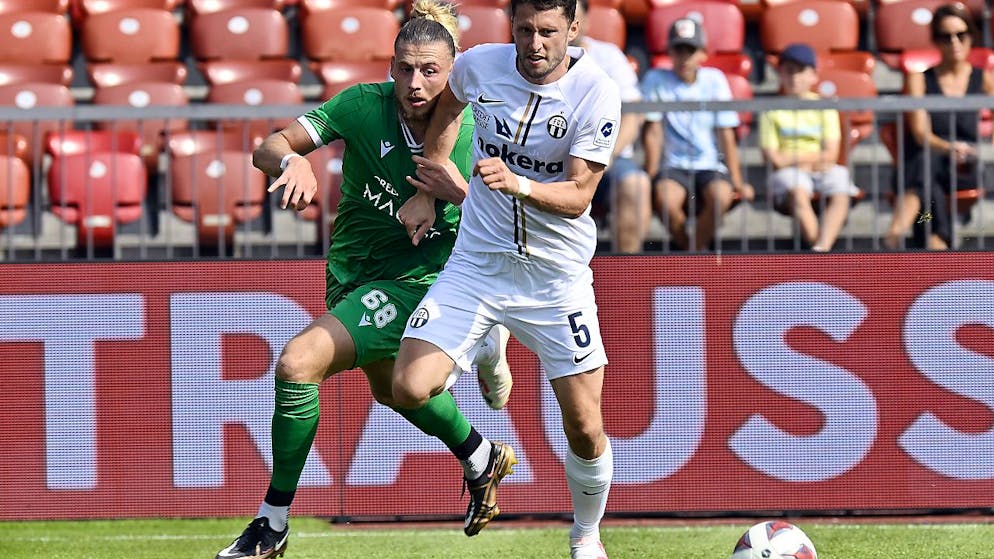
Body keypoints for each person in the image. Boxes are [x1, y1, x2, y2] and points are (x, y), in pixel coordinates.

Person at [214, 3, 515, 558]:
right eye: (404, 68)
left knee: (297, 362)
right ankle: (480, 457)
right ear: (391, 65)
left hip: (421, 280)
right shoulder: (360, 104)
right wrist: (291, 163)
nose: (415, 83)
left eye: (430, 71)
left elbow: (505, 232)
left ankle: (271, 523)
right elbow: (268, 145)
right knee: (390, 389)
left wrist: (458, 195)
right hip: (351, 273)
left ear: (454, 73)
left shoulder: (478, 127)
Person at [390, 0, 620, 556]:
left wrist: (519, 185)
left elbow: (578, 197)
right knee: (408, 387)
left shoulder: (596, 92)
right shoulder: (479, 66)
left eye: (546, 32)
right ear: (510, 27)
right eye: (523, 30)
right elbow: (445, 114)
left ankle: (586, 535)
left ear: (572, 28)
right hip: (479, 263)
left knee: (586, 426)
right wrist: (426, 188)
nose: (534, 44)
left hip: (555, 278)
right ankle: (491, 349)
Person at [885, 2, 994, 250]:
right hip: (929, 157)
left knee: (923, 170)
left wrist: (985, 150)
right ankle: (938, 240)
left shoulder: (984, 79)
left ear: (971, 37)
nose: (954, 42)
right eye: (946, 37)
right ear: (936, 40)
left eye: (960, 35)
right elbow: (921, 134)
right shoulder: (919, 79)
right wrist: (948, 147)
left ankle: (896, 230)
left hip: (963, 166)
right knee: (928, 172)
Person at [640, 17, 755, 251]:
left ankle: (690, 252)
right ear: (669, 52)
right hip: (673, 165)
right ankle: (695, 252)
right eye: (679, 50)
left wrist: (737, 180)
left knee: (721, 197)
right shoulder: (655, 79)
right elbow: (652, 132)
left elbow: (726, 133)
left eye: (690, 50)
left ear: (702, 53)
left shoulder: (714, 80)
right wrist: (651, 174)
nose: (684, 57)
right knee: (664, 200)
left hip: (709, 164)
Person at [759, 42, 856, 252]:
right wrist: (814, 158)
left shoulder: (824, 106)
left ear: (813, 75)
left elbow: (831, 154)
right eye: (789, 71)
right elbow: (774, 159)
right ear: (781, 74)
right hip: (791, 174)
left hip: (819, 169)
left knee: (841, 189)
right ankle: (818, 252)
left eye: (801, 71)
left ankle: (821, 248)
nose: (795, 77)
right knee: (798, 192)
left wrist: (793, 158)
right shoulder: (770, 110)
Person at [572, 0, 651, 253]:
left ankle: (626, 277)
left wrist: (604, 156)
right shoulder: (533, 59)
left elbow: (634, 113)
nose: (572, 24)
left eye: (576, 17)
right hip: (551, 159)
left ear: (586, 21)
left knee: (635, 184)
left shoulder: (609, 56)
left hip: (609, 160)